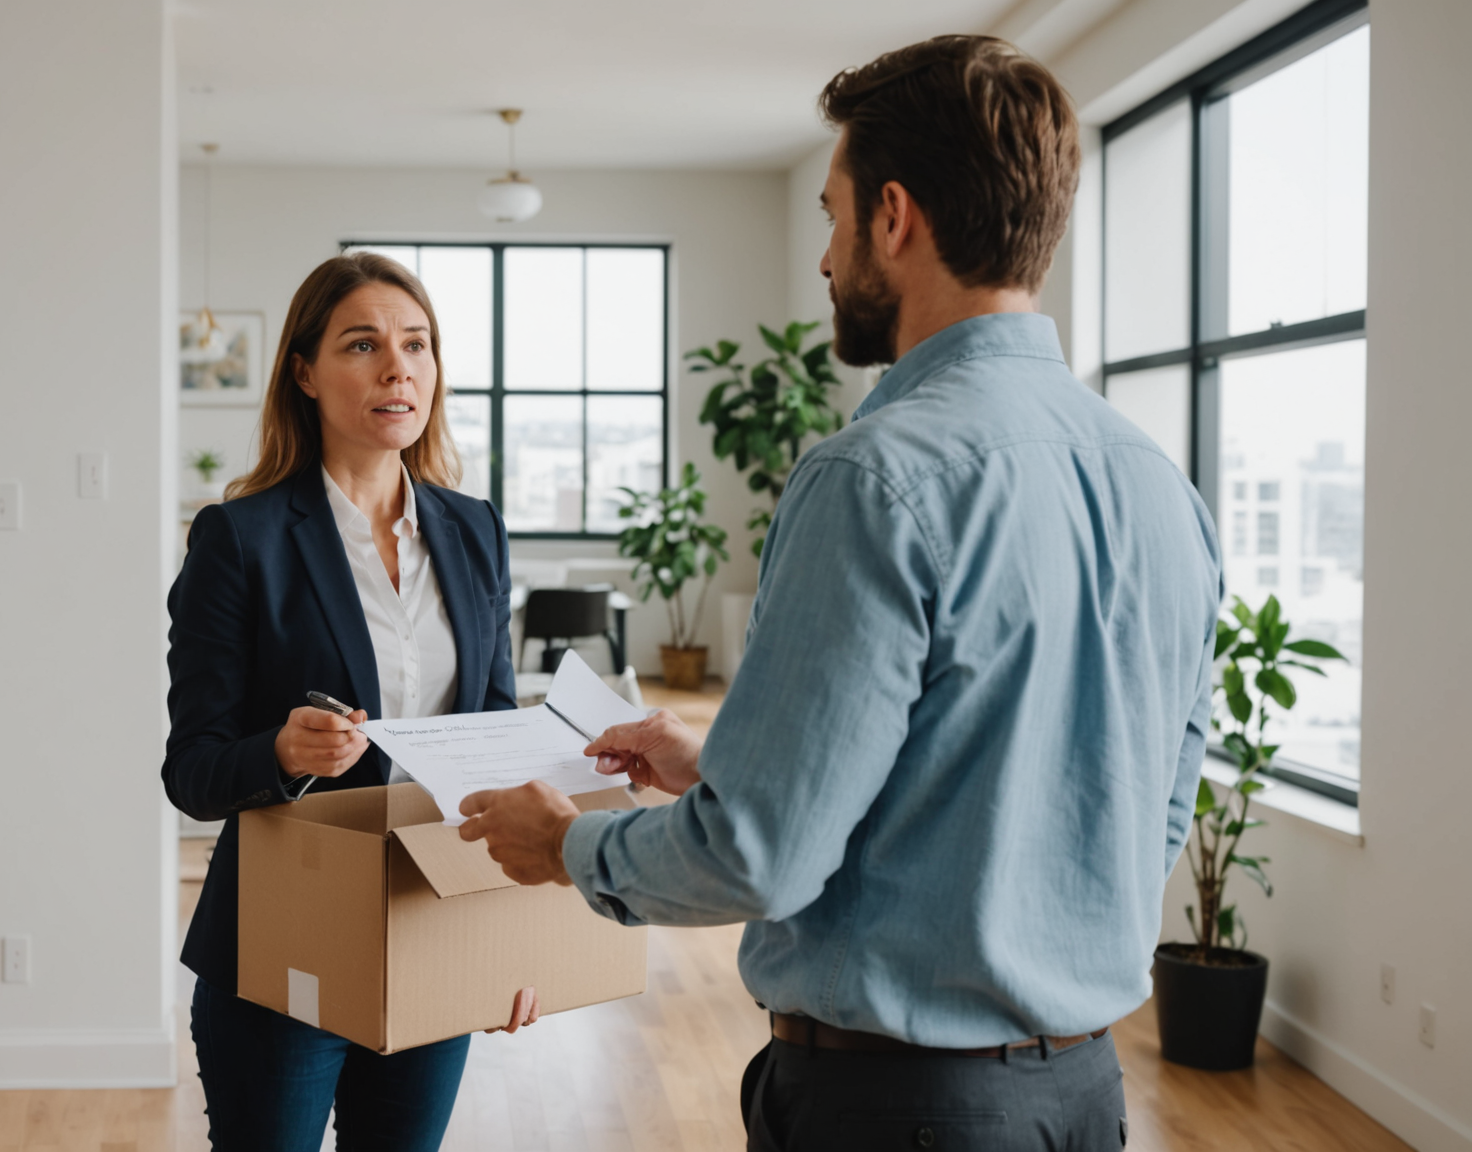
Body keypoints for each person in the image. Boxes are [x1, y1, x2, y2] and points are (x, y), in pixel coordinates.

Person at [458, 35, 1223, 1152]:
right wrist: (728, 765)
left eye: (832, 214)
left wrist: (563, 845)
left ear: (895, 217)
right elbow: (1134, 810)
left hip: (898, 1111)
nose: (824, 259)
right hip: (1082, 1101)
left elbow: (756, 857)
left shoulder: (873, 476)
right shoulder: (1160, 485)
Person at [164, 252, 536, 1152]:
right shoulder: (239, 538)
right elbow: (194, 772)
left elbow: (501, 753)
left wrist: (511, 940)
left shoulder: (475, 529)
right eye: (362, 345)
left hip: (431, 924)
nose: (396, 367)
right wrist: (284, 756)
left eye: (416, 345)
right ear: (304, 371)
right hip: (284, 939)